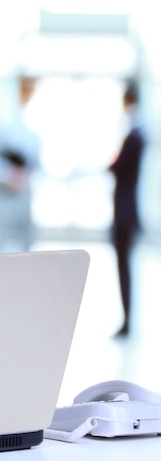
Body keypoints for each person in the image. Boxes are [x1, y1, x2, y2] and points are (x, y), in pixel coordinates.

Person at [0, 76, 41, 252]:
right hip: (1, 202)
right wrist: (7, 175)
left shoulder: (31, 134)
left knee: (24, 248)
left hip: (23, 201)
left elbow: (36, 167)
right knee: (0, 248)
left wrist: (24, 177)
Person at [109, 81, 145, 337]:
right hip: (126, 210)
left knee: (124, 267)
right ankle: (126, 320)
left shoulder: (134, 136)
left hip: (125, 212)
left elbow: (119, 168)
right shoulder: (135, 135)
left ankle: (127, 321)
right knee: (124, 266)